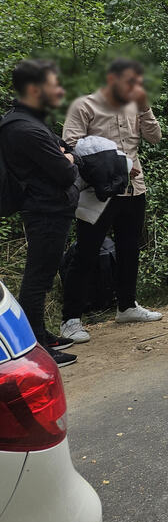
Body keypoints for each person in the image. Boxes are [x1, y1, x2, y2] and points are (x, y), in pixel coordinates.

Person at [60, 58, 163, 343]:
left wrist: (144, 107)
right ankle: (70, 318)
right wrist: (119, 163)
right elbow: (72, 147)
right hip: (98, 194)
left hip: (134, 190)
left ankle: (127, 306)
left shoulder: (135, 106)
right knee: (86, 252)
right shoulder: (84, 105)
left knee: (130, 249)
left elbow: (155, 137)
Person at [0, 60, 80, 367]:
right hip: (44, 210)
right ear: (35, 89)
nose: (60, 90)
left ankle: (40, 336)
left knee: (43, 275)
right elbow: (66, 172)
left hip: (51, 208)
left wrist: (67, 155)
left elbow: (65, 151)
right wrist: (69, 158)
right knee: (38, 278)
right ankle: (36, 348)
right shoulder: (22, 128)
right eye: (54, 84)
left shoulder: (31, 121)